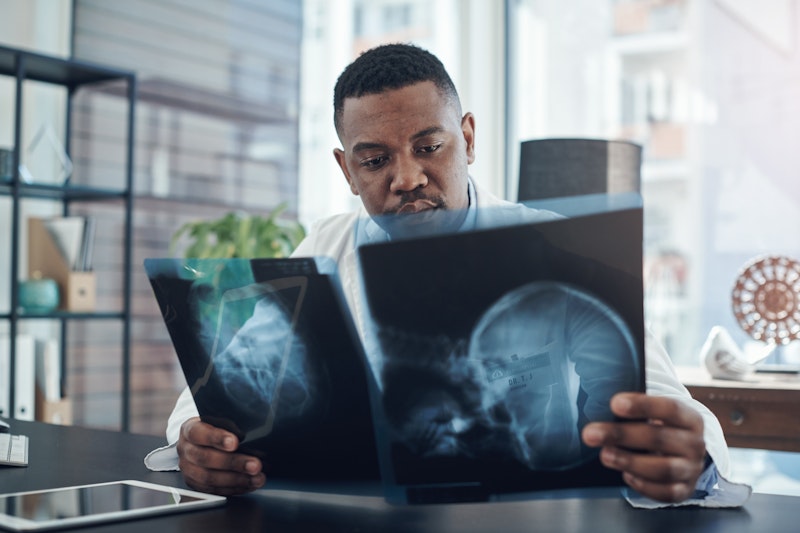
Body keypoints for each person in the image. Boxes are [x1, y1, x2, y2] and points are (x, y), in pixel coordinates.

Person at [145, 43, 748, 507]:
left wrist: (689, 462)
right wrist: (195, 445)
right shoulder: (322, 250)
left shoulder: (560, 250)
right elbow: (205, 398)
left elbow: (679, 417)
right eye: (376, 160)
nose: (406, 179)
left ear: (467, 138)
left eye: (429, 147)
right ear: (347, 171)